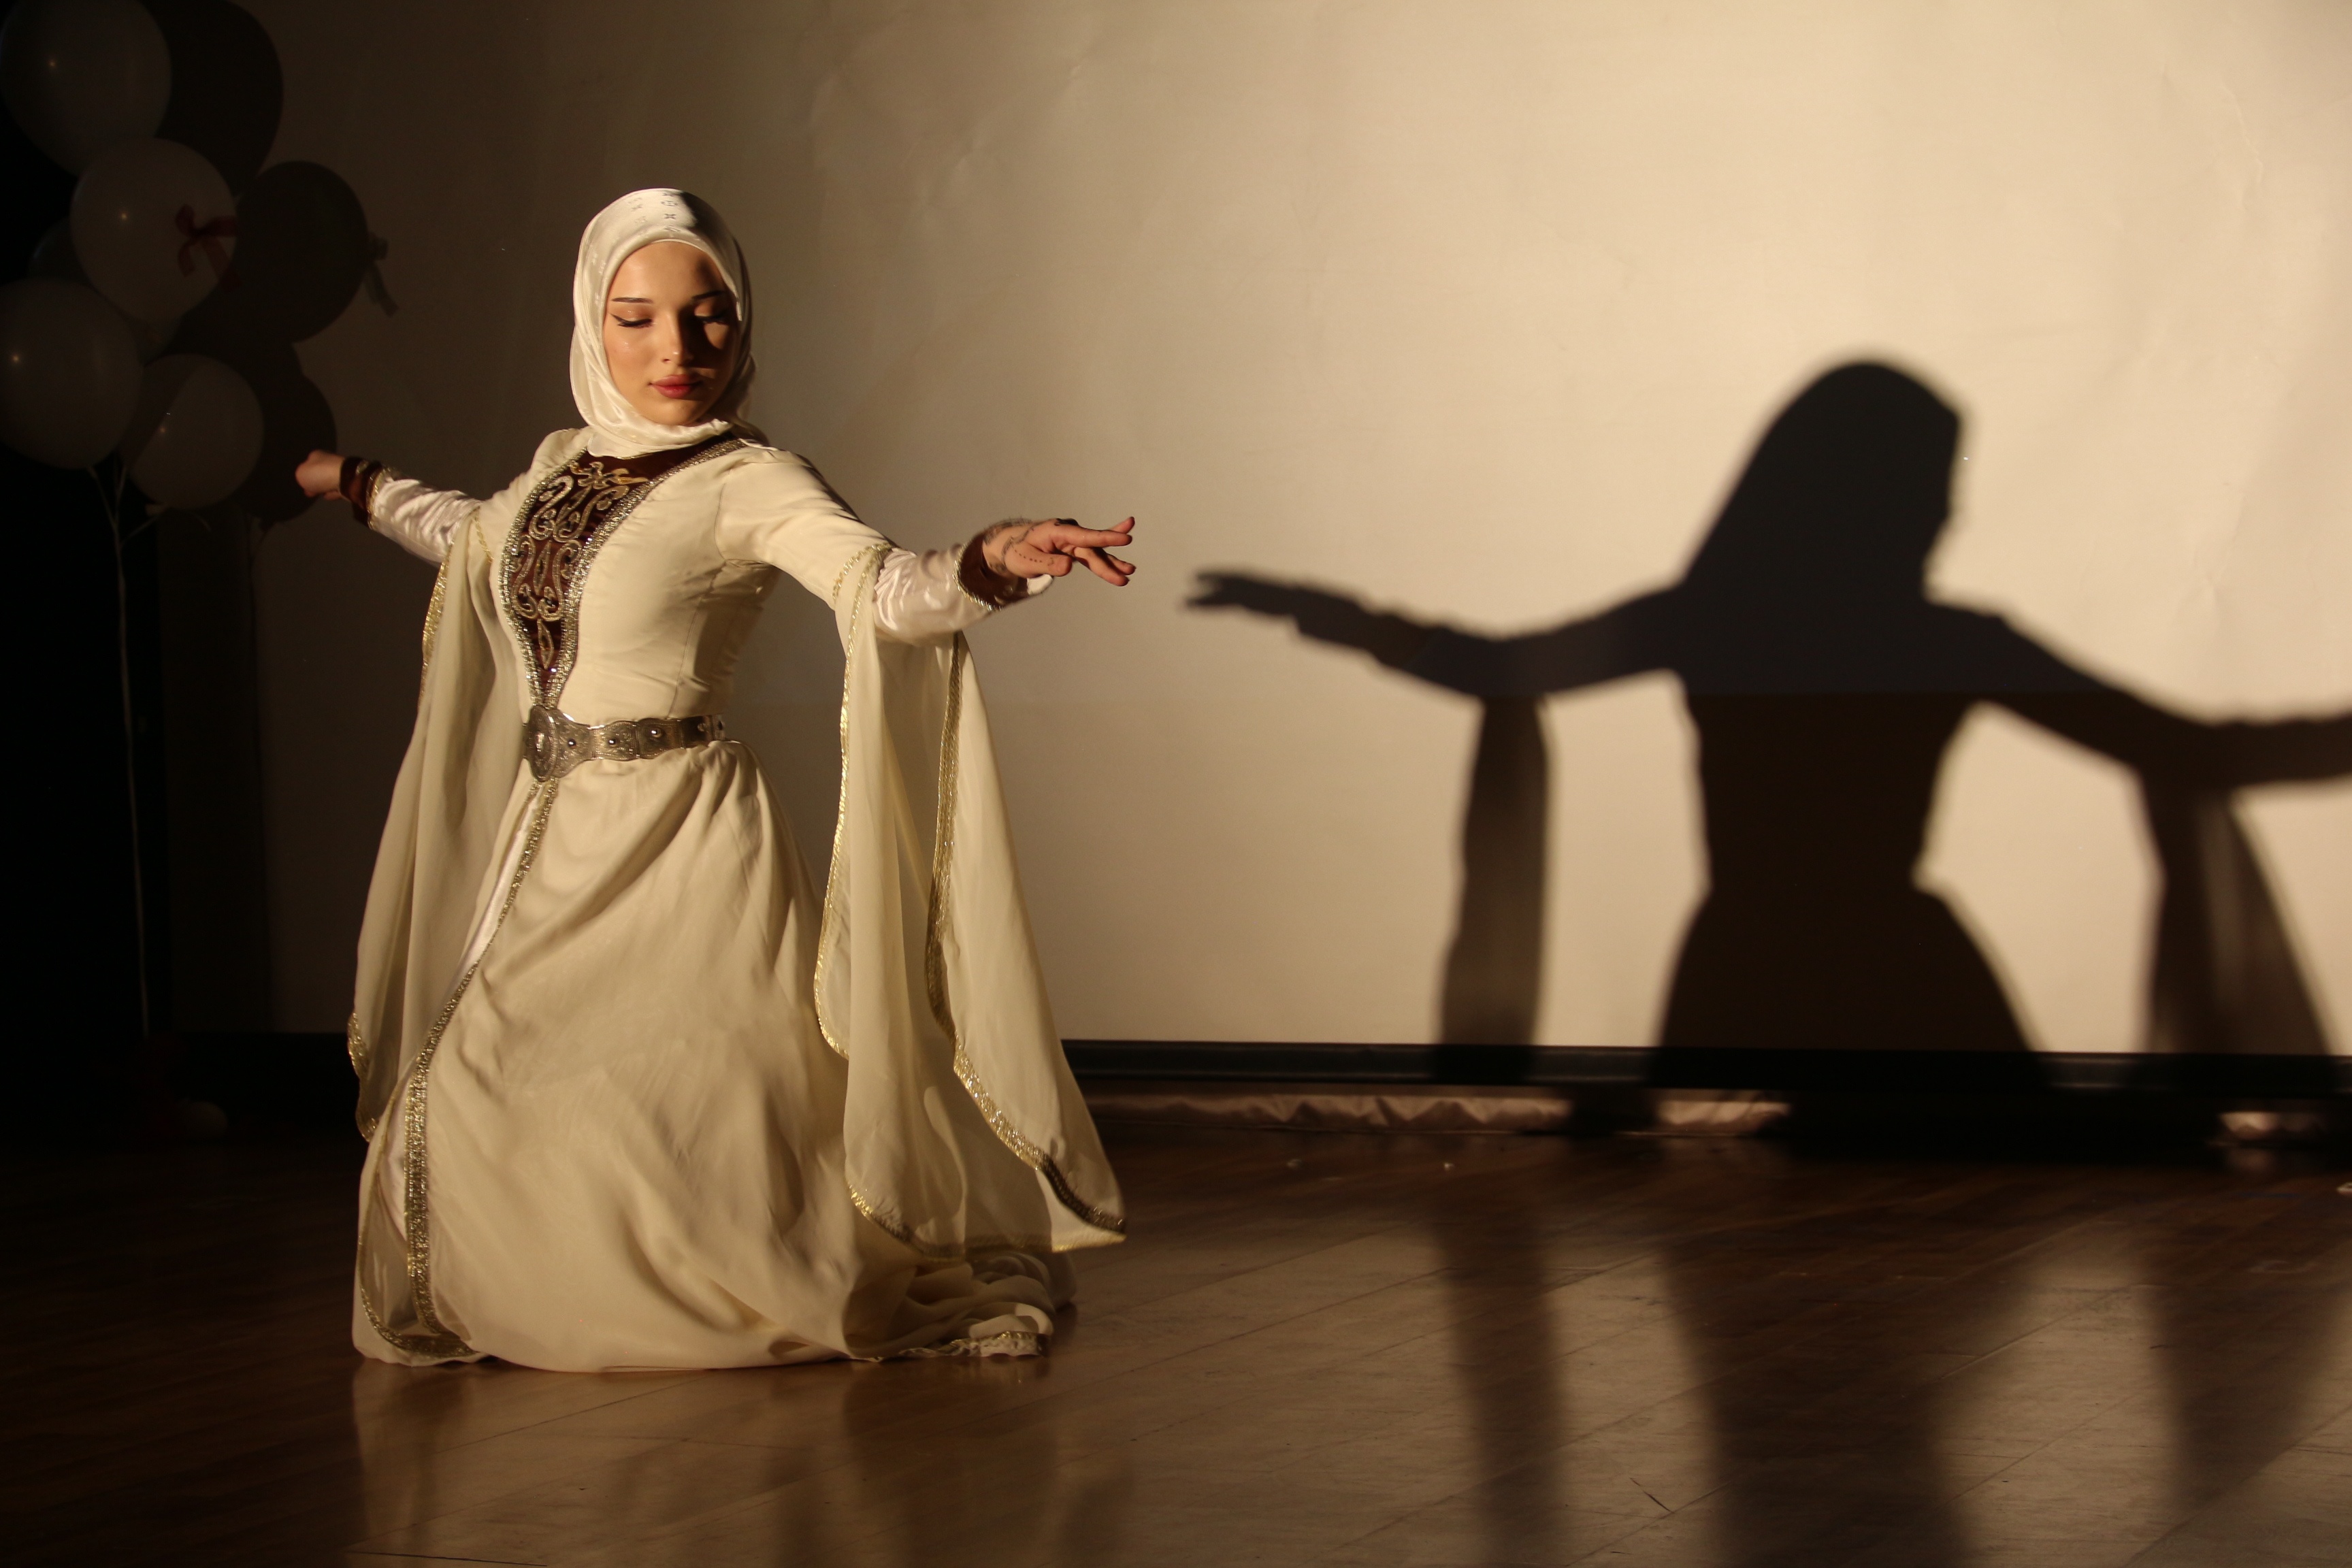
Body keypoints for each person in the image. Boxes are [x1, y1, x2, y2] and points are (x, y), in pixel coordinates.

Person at [298, 189, 1135, 1371]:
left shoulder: (751, 478)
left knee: (689, 1112)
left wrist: (992, 561)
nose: (676, 350)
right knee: (474, 1087)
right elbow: (473, 537)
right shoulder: (560, 469)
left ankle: (703, 1292)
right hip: (551, 836)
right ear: (592, 323)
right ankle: (556, 1294)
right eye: (636, 319)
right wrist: (355, 481)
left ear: (742, 323)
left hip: (681, 838)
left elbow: (884, 588)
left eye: (709, 317)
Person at [1196, 363, 2350, 1058]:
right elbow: (2194, 753)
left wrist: (1325, 614)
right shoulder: (1940, 641)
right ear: (1879, 498)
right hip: (1902, 983)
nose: (1947, 514)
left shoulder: (1714, 619)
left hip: (1750, 975)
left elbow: (1494, 669)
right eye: (1933, 487)